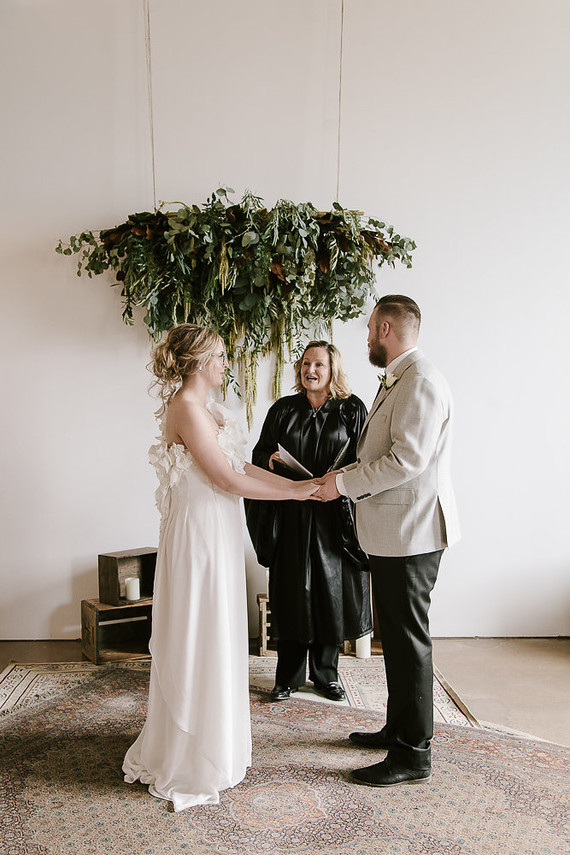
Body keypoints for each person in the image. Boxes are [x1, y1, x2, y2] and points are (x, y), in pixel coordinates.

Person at [122, 324, 317, 811]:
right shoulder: (186, 410)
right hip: (198, 534)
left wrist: (296, 485)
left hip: (218, 529)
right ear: (199, 361)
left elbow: (243, 468)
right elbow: (226, 480)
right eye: (222, 356)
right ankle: (190, 751)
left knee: (220, 627)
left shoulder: (208, 409)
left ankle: (216, 741)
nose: (226, 363)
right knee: (199, 626)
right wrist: (295, 494)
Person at [314, 296, 460, 787]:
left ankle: (413, 754)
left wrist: (345, 485)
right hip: (397, 530)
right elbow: (384, 452)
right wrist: (345, 472)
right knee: (394, 640)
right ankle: (397, 729)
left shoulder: (419, 380)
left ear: (385, 327)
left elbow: (406, 460)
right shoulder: (404, 376)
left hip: (413, 531)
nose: (368, 337)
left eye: (371, 328)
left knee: (408, 641)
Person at [245, 341, 373, 703]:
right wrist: (270, 460)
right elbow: (259, 455)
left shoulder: (351, 409)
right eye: (305, 363)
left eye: (318, 364)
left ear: (333, 369)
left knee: (330, 596)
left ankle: (326, 674)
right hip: (292, 516)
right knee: (291, 594)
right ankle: (286, 676)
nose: (310, 370)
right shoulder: (283, 409)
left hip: (335, 516)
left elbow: (366, 457)